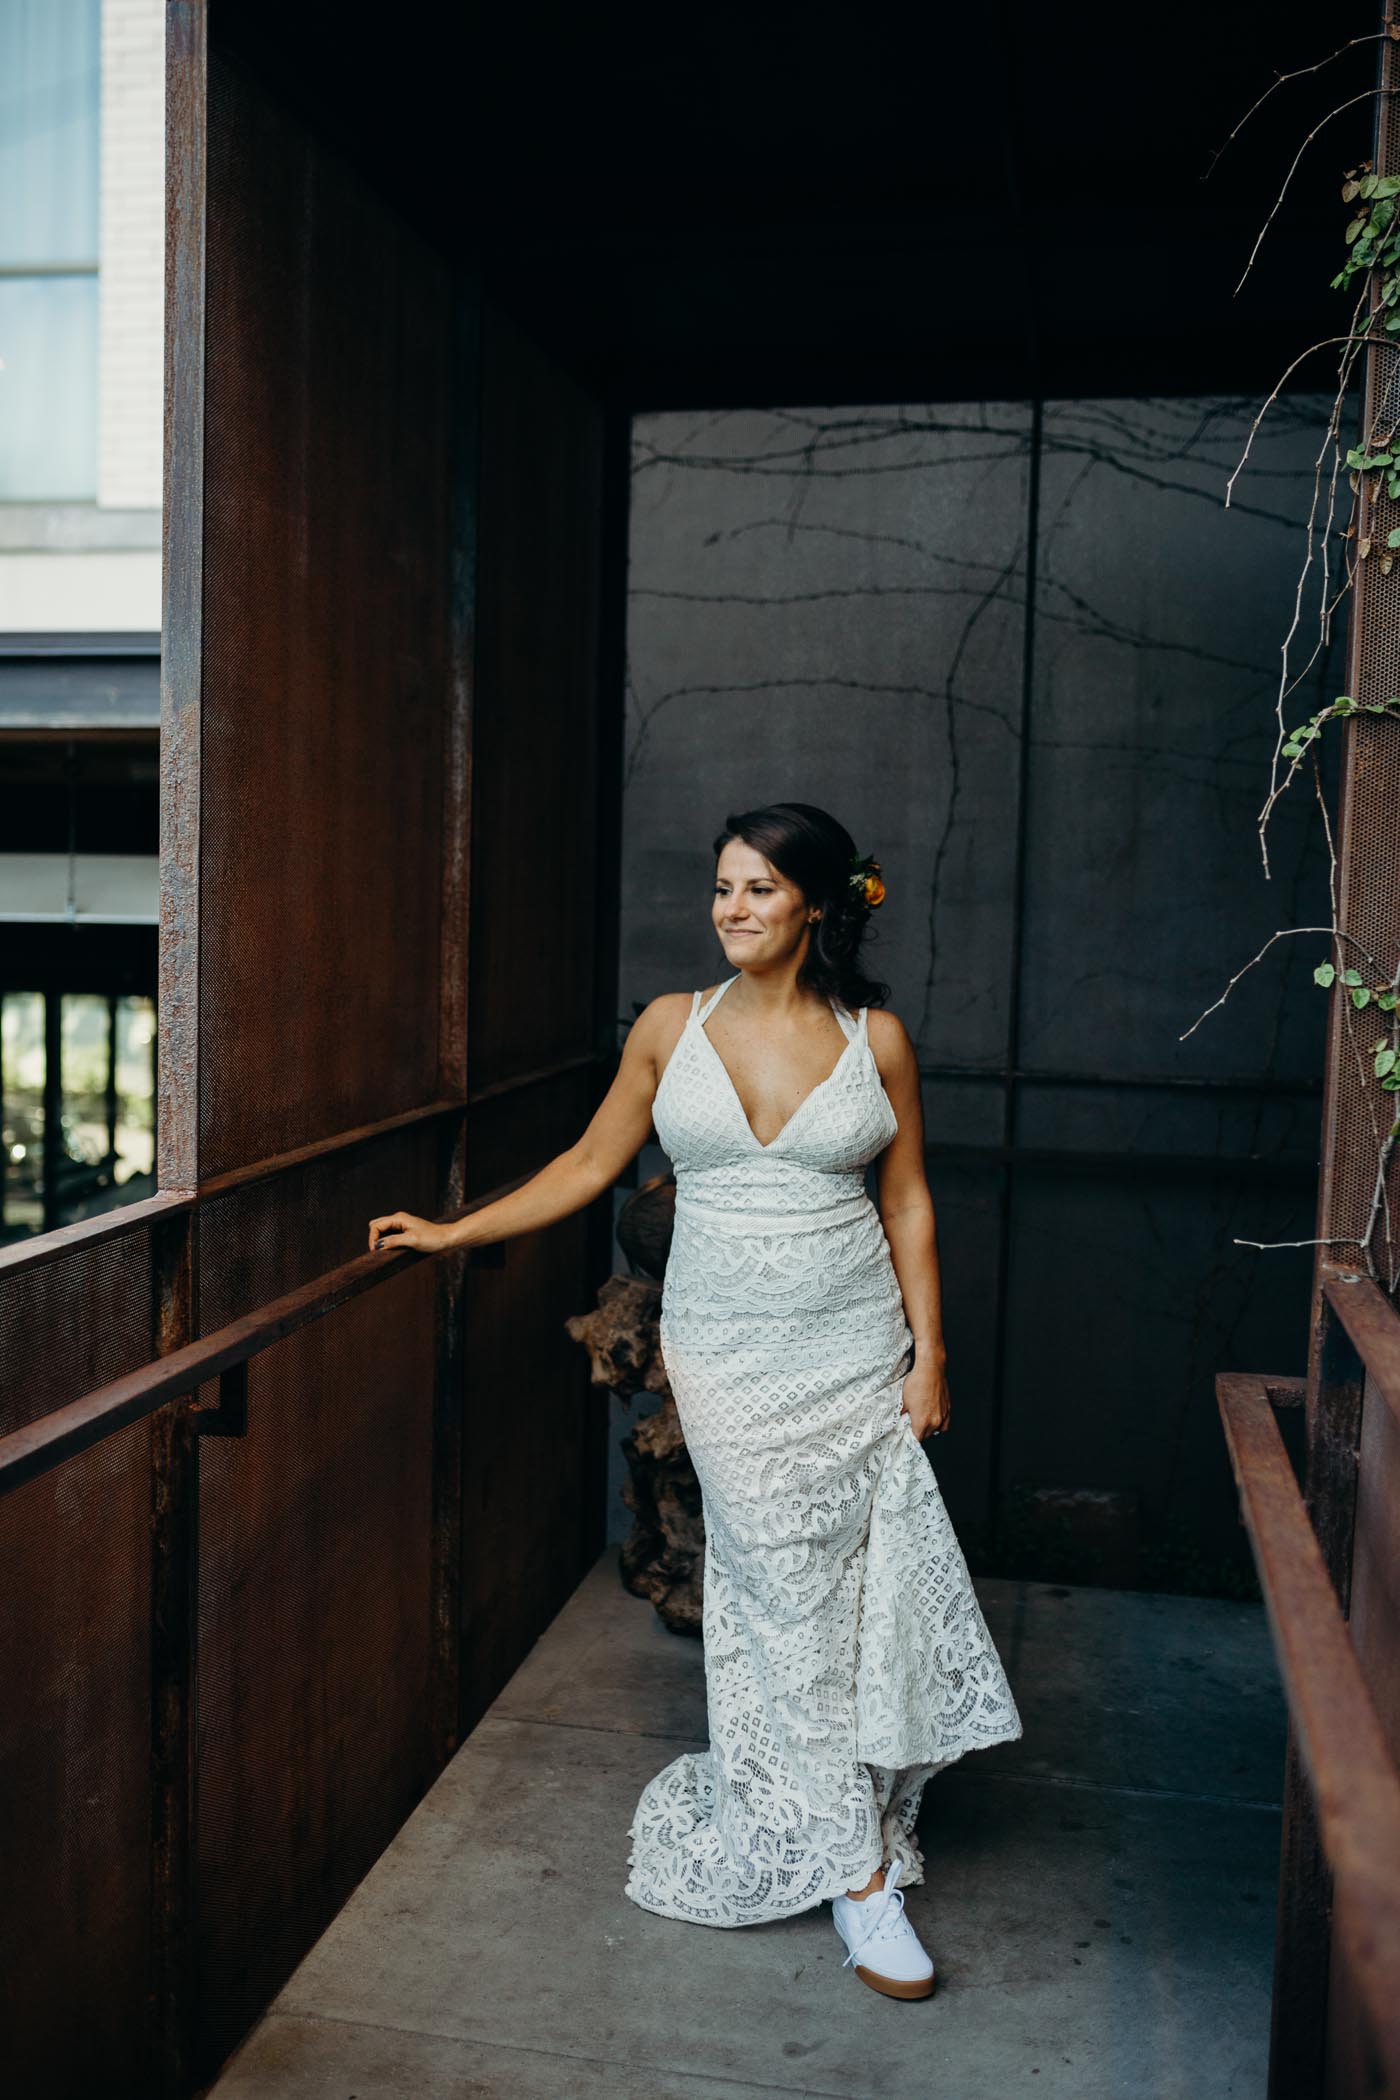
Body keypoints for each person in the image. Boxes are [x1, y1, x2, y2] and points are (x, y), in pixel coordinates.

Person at [368, 800, 1022, 2000]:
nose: (730, 908)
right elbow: (584, 1164)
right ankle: (858, 1879)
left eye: (758, 890)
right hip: (725, 1358)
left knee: (844, 1593)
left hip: (853, 1351)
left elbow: (910, 1203)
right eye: (721, 887)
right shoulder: (671, 1026)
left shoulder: (876, 1039)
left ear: (816, 905)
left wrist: (930, 1356)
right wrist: (454, 1232)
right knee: (774, 1591)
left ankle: (843, 1815)